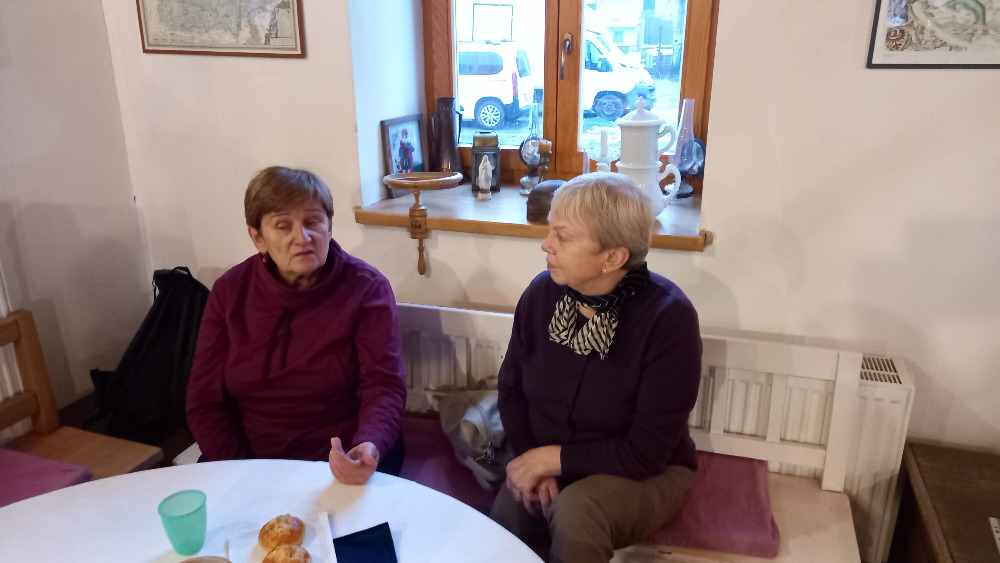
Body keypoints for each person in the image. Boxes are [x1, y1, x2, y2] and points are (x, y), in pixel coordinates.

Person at [490, 172, 702, 562]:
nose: (546, 245)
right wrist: (535, 460)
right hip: (548, 456)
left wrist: (550, 459)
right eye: (550, 231)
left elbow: (646, 453)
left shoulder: (668, 319)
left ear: (613, 257)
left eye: (562, 237)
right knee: (508, 515)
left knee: (576, 513)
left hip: (645, 473)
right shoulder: (541, 294)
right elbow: (512, 390)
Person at [186, 166, 406, 485]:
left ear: (329, 226)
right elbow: (204, 401)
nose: (302, 237)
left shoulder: (367, 288)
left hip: (341, 460)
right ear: (258, 238)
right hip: (248, 460)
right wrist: (241, 473)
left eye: (313, 221)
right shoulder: (230, 291)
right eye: (282, 225)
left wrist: (368, 445)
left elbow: (384, 386)